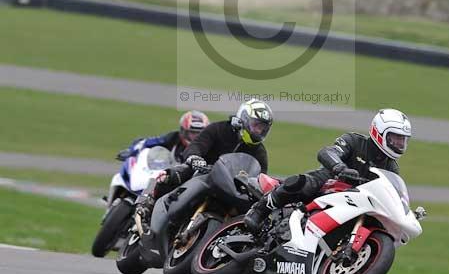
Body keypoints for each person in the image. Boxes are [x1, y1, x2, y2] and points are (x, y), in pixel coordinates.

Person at [244, 108, 412, 233]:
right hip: (330, 181)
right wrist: (340, 167)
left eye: (403, 140)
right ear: (379, 131)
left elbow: (392, 193)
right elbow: (327, 152)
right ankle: (259, 210)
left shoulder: (392, 168)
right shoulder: (354, 141)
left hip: (355, 201)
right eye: (395, 138)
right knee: (301, 183)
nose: (399, 144)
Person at [135, 98, 273, 231]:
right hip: (202, 172)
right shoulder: (219, 129)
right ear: (244, 119)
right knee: (173, 174)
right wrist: (195, 158)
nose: (259, 131)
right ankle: (147, 207)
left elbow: (260, 178)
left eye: (263, 128)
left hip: (231, 188)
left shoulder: (259, 152)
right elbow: (197, 145)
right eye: (256, 125)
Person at [117, 109, 210, 164]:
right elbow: (145, 142)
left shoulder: (210, 145)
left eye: (200, 134)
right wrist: (131, 151)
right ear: (183, 131)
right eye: (192, 133)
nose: (196, 137)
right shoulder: (173, 138)